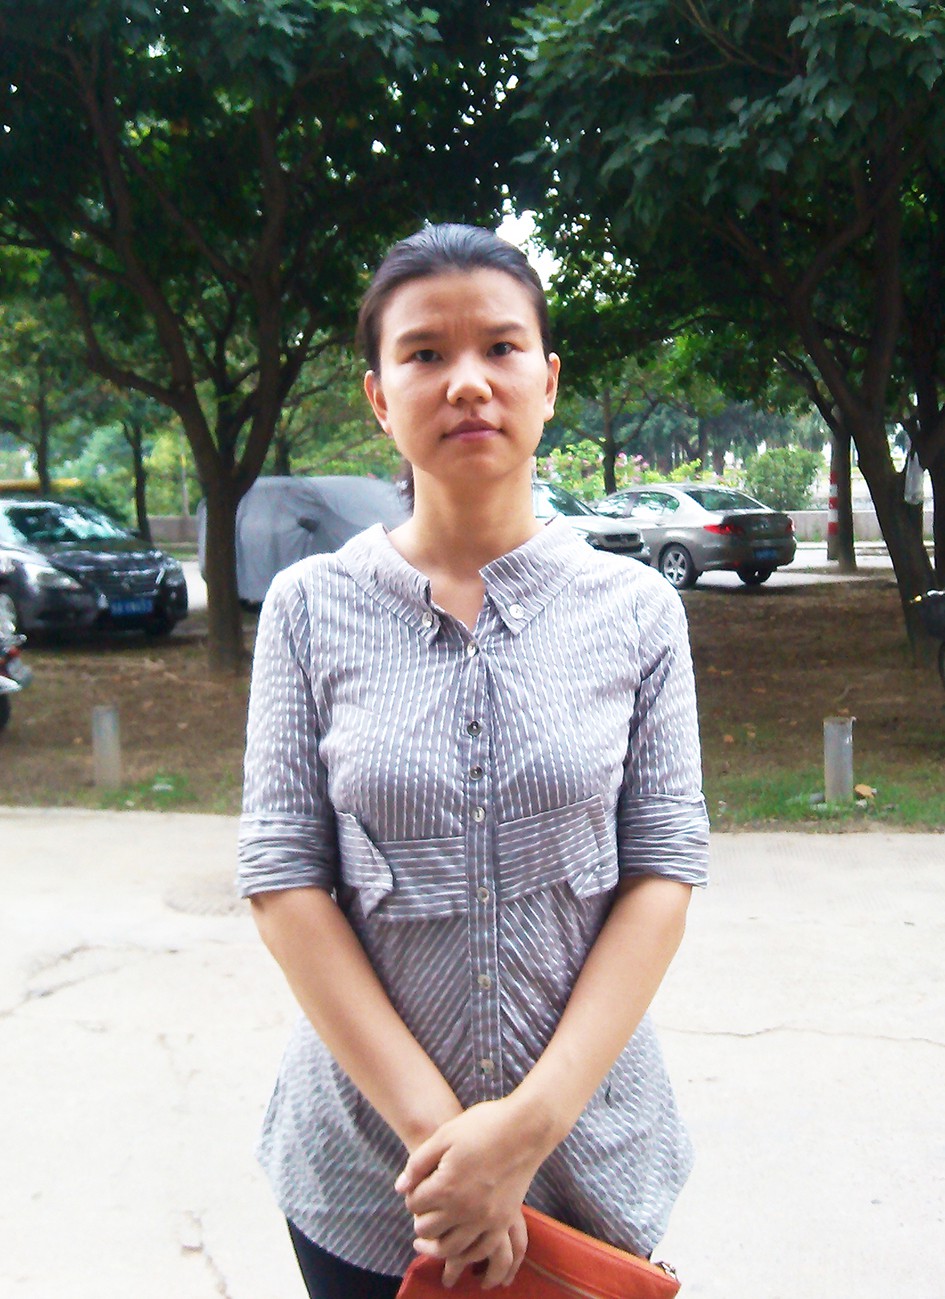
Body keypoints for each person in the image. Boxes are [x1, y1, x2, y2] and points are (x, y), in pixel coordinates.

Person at [238, 223, 709, 1299]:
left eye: (500, 348)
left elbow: (662, 872)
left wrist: (525, 1133)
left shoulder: (637, 611)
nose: (466, 382)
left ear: (548, 381)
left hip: (588, 1163)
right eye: (424, 353)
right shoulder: (309, 609)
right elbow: (282, 879)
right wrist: (447, 1150)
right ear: (378, 397)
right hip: (369, 1181)